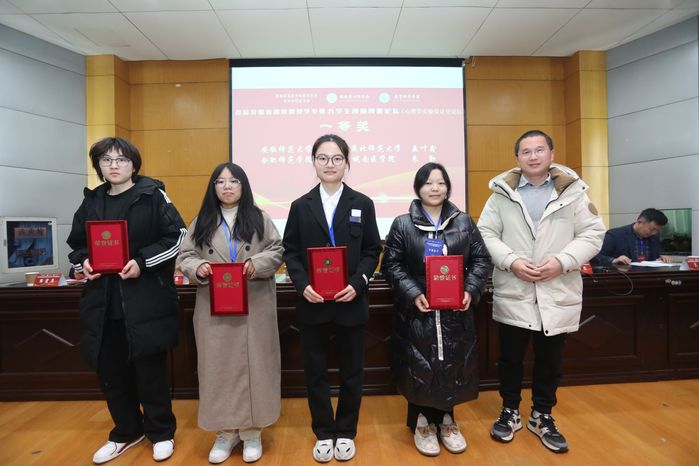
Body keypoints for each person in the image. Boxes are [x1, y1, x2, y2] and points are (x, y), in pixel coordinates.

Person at [477, 130, 605, 453]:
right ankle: (509, 411)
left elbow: (592, 234)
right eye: (526, 152)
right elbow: (486, 234)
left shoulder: (573, 192)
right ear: (517, 158)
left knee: (550, 359)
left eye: (539, 150)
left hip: (556, 289)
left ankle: (542, 415)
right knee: (510, 358)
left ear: (551, 154)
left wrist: (562, 261)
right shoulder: (501, 194)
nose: (533, 156)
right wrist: (511, 261)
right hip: (515, 288)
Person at [67, 137, 187, 464]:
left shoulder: (152, 195)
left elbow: (177, 236)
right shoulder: (92, 201)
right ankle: (126, 431)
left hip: (145, 301)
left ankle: (161, 432)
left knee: (151, 373)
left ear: (134, 164)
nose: (114, 165)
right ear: (99, 166)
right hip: (103, 304)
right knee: (111, 374)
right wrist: (84, 263)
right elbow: (77, 244)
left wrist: (142, 263)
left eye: (121, 159)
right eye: (106, 160)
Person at [282, 134, 381, 463]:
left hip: (351, 300)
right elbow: (290, 252)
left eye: (337, 158)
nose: (330, 164)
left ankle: (347, 431)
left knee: (353, 372)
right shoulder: (300, 206)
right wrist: (301, 285)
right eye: (323, 158)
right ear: (313, 162)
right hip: (313, 302)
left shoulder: (362, 203)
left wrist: (359, 282)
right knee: (316, 372)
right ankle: (324, 432)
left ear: (346, 163)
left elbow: (372, 250)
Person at [381, 163, 491, 457]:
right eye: (428, 182)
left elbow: (481, 259)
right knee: (420, 364)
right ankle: (421, 423)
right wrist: (413, 292)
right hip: (417, 311)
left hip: (456, 312)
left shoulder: (463, 222)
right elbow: (391, 265)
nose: (435, 188)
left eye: (441, 182)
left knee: (451, 362)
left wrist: (470, 289)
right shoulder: (403, 224)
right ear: (418, 187)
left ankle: (447, 421)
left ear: (448, 187)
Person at [176, 162, 283, 464]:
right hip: (215, 307)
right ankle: (225, 432)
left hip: (254, 305)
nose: (227, 186)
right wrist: (198, 266)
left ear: (243, 186)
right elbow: (185, 255)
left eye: (234, 181)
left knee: (256, 367)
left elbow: (277, 250)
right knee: (217, 369)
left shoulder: (260, 218)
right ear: (213, 188)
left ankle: (251, 432)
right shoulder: (202, 221)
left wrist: (255, 264)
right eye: (220, 182)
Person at [593, 208, 671, 266]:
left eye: (657, 231)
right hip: (623, 277)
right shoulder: (615, 235)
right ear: (639, 222)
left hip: (649, 276)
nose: (654, 233)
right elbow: (595, 256)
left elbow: (656, 256)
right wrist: (614, 260)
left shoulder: (654, 238)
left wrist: (661, 258)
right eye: (651, 229)